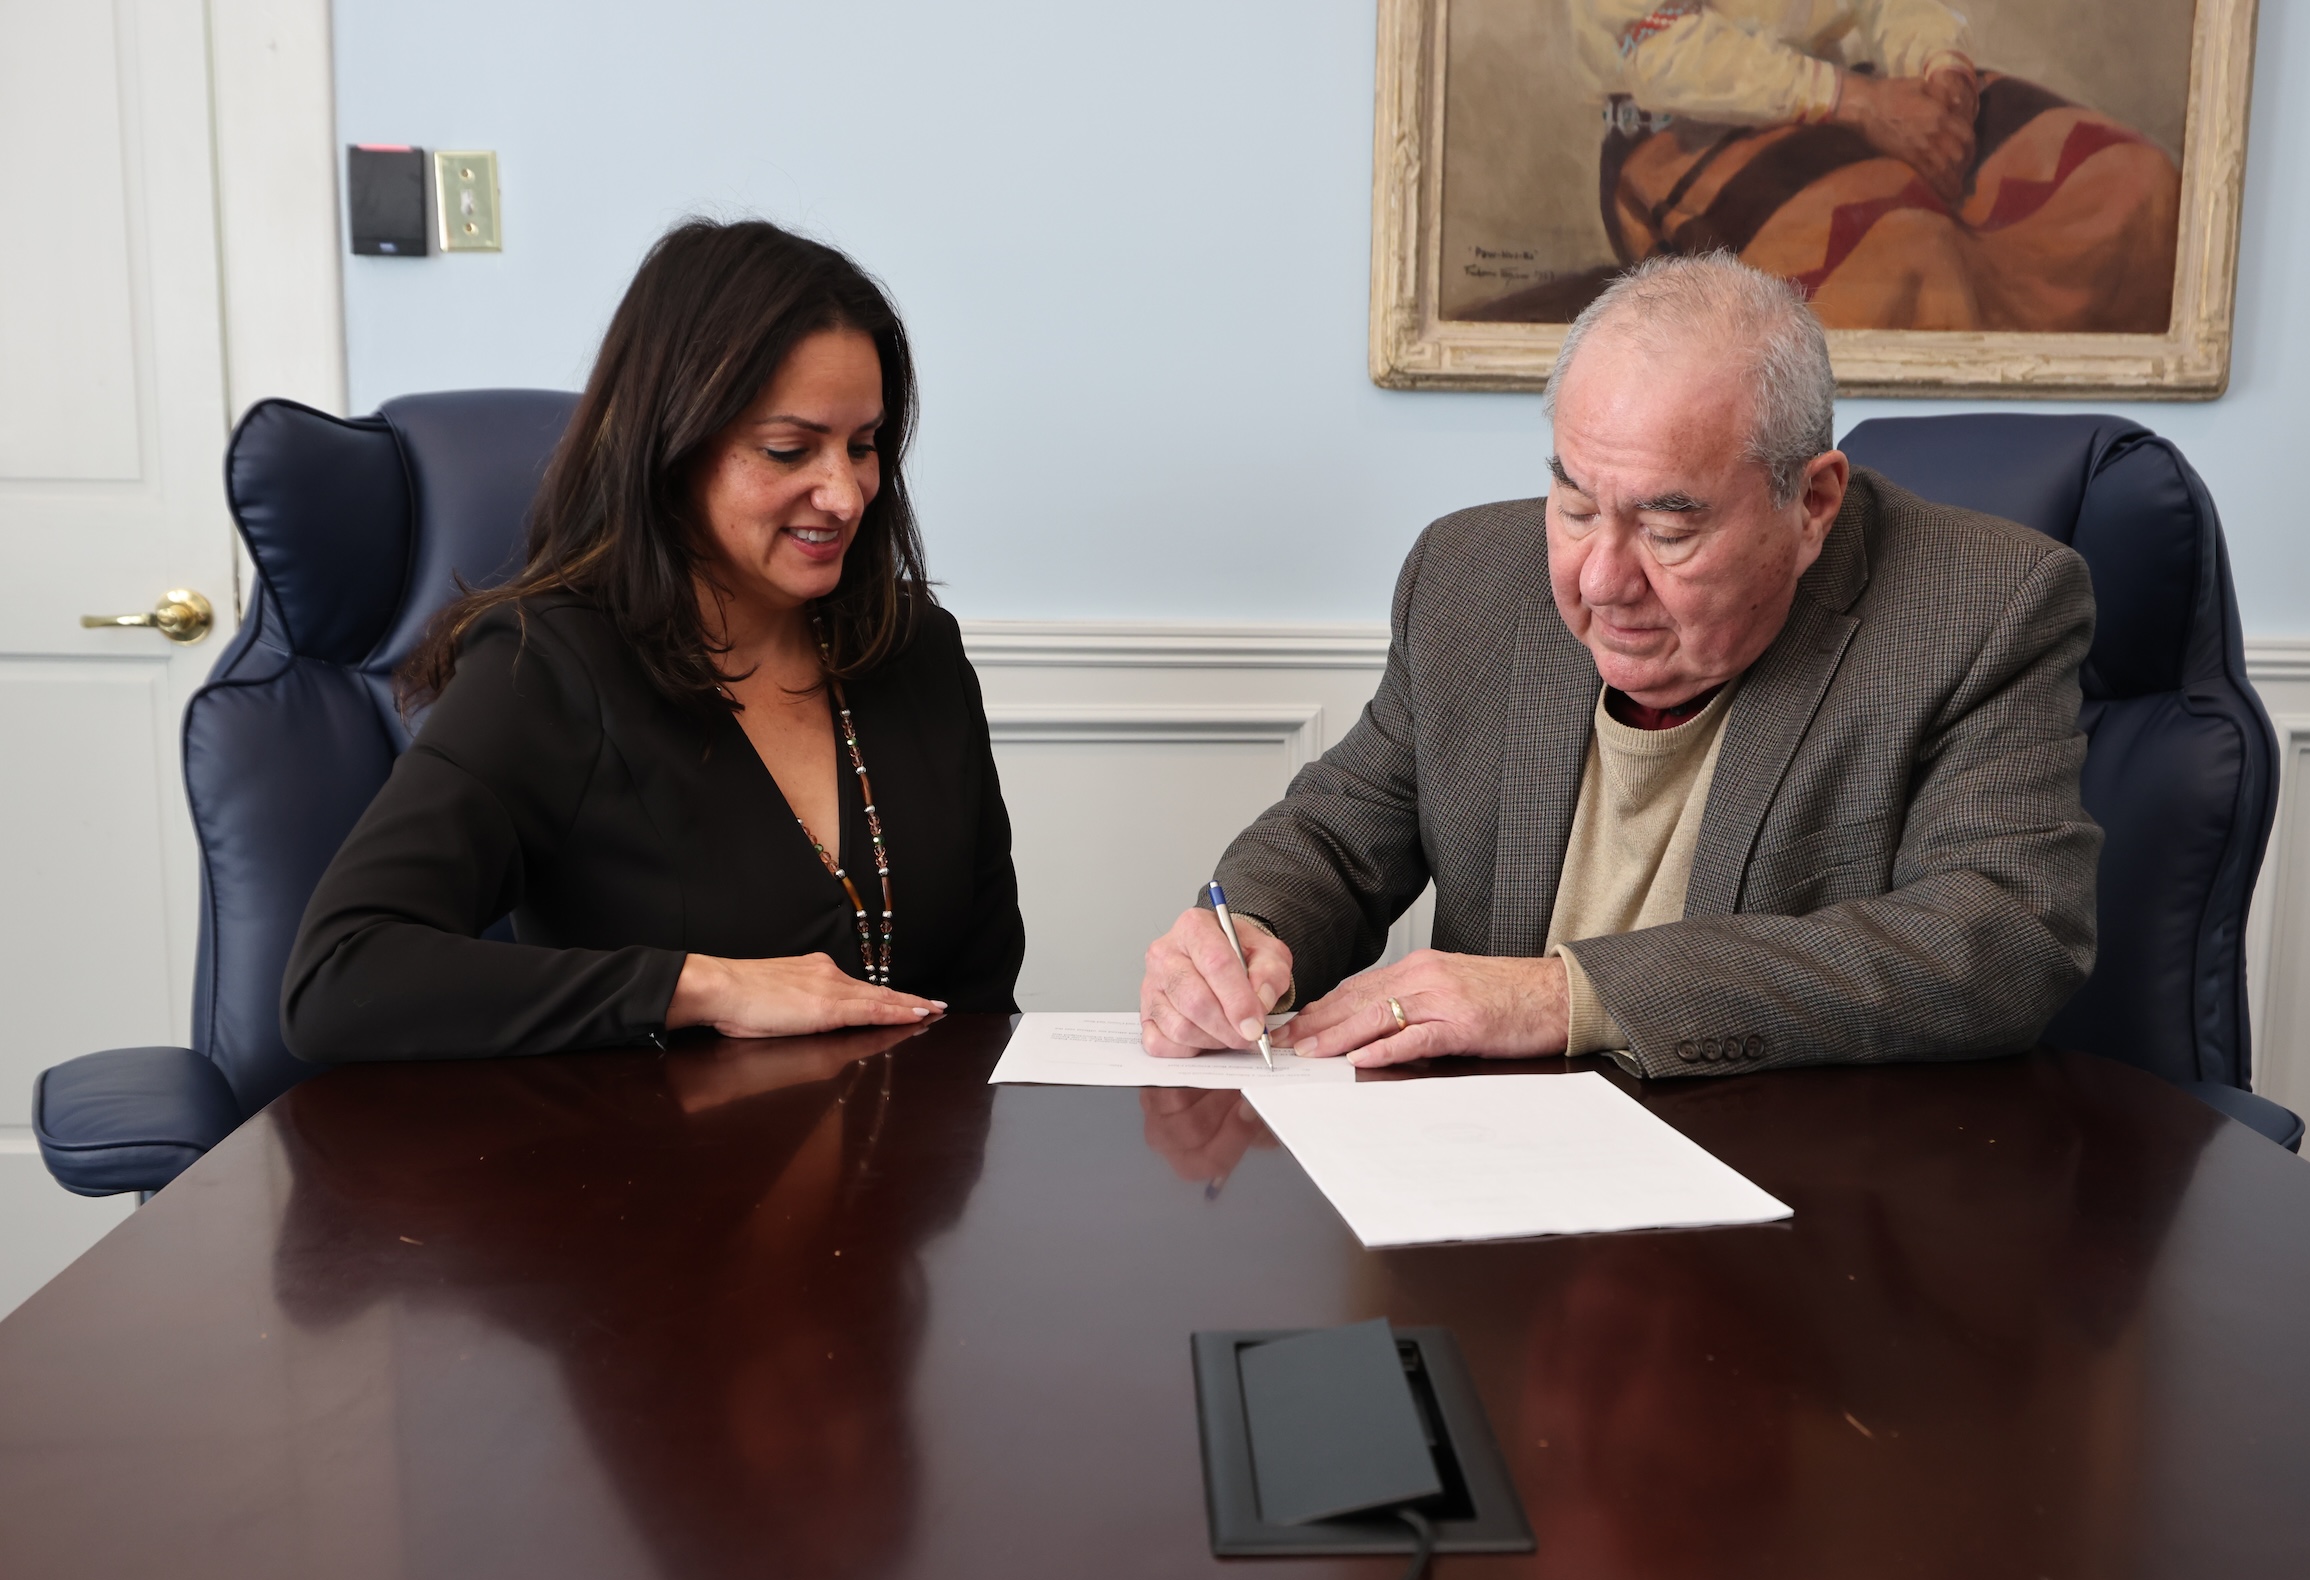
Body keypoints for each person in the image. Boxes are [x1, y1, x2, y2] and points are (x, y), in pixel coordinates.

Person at [1141, 249, 2097, 1073]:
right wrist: (1250, 933)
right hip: (1485, 1174)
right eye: (1574, 504)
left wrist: (1572, 995)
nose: (1600, 579)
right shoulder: (1469, 578)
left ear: (1811, 504)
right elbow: (1336, 834)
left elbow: (2006, 938)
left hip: (1785, 1180)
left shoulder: (1984, 607)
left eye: (1668, 527)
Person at [284, 219, 1022, 1064]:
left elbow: (982, 1000)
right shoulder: (549, 667)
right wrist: (705, 987)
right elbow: (338, 976)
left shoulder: (915, 647)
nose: (846, 494)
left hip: (912, 1145)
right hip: (650, 1148)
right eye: (789, 449)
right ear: (673, 445)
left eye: (863, 446)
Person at [1468, 0, 2180, 332]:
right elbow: (1656, 53)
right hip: (1684, 126)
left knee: (2130, 182)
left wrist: (1940, 73)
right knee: (1906, 256)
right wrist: (1855, 102)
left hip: (1865, 98)